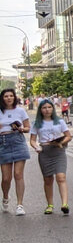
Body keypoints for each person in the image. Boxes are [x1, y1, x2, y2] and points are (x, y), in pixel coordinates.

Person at [30, 99, 71, 215]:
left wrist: (61, 143)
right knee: (48, 180)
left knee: (61, 177)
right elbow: (32, 140)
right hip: (45, 152)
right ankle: (50, 205)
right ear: (40, 110)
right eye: (44, 108)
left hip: (58, 150)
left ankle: (64, 204)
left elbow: (68, 136)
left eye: (49, 107)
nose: (47, 110)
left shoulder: (59, 121)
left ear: (53, 109)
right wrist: (36, 147)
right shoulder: (36, 123)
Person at [0, 88, 31, 216]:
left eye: (11, 96)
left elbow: (28, 128)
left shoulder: (20, 111)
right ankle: (5, 197)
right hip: (3, 142)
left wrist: (21, 129)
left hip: (18, 140)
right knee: (6, 178)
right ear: (2, 98)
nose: (9, 98)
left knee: (18, 174)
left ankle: (20, 205)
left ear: (14, 97)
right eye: (6, 96)